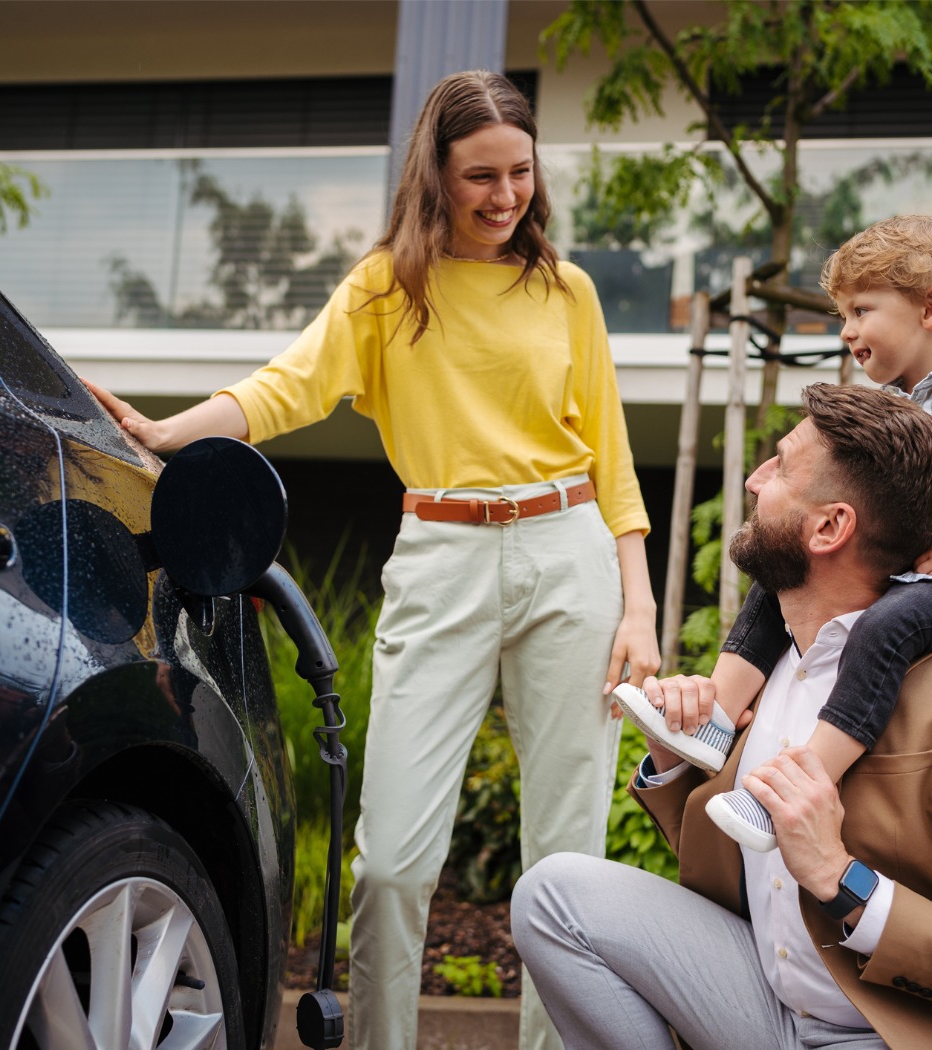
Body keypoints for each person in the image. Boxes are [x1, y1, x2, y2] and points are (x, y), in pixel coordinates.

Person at [83, 70, 659, 1050]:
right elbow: (284, 390)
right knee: (391, 860)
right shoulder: (387, 286)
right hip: (440, 557)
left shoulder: (566, 290)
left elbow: (611, 458)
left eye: (519, 172)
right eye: (479, 176)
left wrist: (638, 609)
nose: (504, 195)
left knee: (565, 857)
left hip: (570, 558)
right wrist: (165, 432)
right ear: (434, 176)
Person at [512, 382, 932, 1049]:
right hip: (761, 1006)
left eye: (780, 467)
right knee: (554, 895)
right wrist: (672, 763)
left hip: (889, 1033)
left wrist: (842, 880)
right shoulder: (769, 671)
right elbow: (748, 874)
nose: (756, 482)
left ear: (829, 527)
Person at [614, 214, 932, 852]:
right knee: (778, 578)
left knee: (887, 629)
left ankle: (801, 784)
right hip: (910, 571)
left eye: (862, 310)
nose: (847, 330)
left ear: (931, 307)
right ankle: (715, 719)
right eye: (844, 313)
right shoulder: (903, 405)